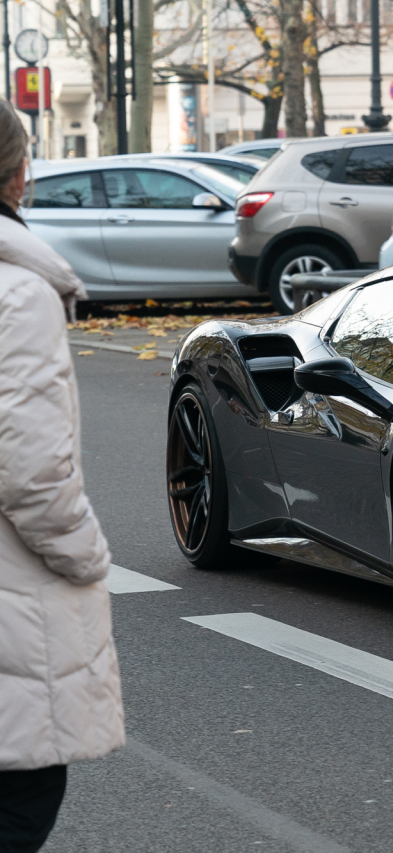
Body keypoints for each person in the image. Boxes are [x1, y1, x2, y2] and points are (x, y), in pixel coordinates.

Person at [0, 98, 124, 852]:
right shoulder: (16, 292)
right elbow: (31, 468)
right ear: (18, 174)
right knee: (23, 793)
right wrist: (85, 555)